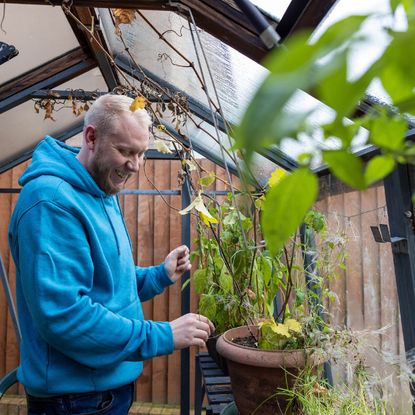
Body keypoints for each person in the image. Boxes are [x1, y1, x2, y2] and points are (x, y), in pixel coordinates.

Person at [8, 94, 214, 415]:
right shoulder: (51, 202)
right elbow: (64, 315)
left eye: (142, 152)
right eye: (125, 151)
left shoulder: (101, 191)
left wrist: (160, 275)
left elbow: (107, 283)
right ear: (91, 137)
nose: (134, 164)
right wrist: (162, 335)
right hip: (75, 400)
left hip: (105, 389)